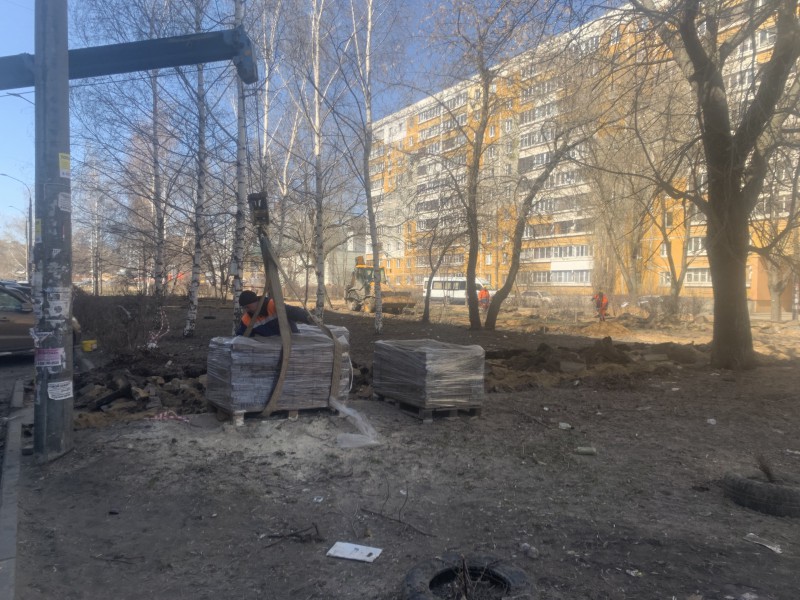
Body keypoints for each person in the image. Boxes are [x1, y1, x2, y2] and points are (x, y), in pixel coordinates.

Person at [235, 290, 309, 337]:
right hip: (270, 347)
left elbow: (293, 311)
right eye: (244, 308)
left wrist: (308, 318)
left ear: (256, 301)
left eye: (247, 307)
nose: (246, 310)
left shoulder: (272, 305)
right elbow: (242, 336)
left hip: (291, 340)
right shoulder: (246, 320)